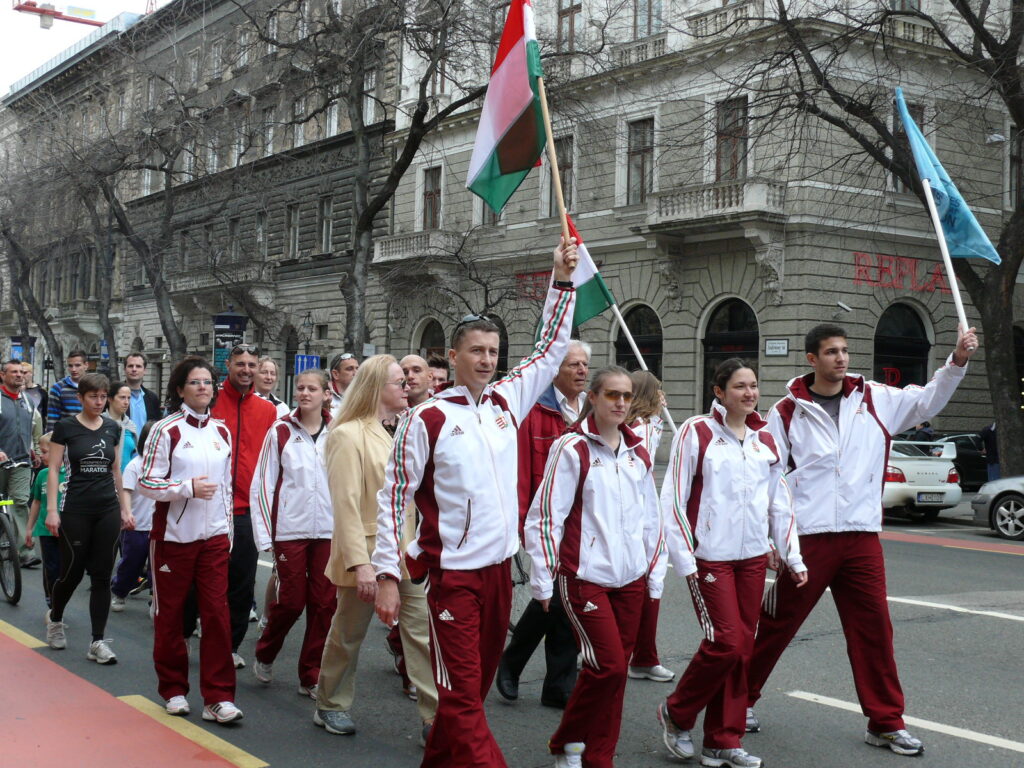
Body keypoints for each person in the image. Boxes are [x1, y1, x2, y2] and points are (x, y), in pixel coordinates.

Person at [372, 237, 577, 768]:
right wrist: (387, 573)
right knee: (461, 699)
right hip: (452, 577)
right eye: (476, 351)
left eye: (492, 352)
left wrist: (561, 281)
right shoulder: (428, 418)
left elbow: (550, 350)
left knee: (472, 694)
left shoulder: (508, 401)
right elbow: (392, 495)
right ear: (453, 355)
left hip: (497, 572)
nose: (486, 360)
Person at [745, 323, 979, 757]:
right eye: (831, 352)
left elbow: (928, 398)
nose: (841, 358)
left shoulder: (874, 399)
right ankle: (738, 702)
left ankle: (886, 722)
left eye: (845, 351)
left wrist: (957, 362)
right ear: (812, 359)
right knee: (777, 623)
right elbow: (767, 476)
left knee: (874, 631)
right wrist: (773, 538)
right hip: (809, 536)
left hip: (860, 536)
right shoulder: (786, 411)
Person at [656, 359, 806, 768]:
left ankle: (723, 739)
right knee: (725, 642)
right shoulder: (697, 432)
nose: (749, 393)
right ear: (719, 391)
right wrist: (684, 557)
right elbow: (673, 496)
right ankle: (678, 711)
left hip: (753, 559)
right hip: (711, 558)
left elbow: (779, 501)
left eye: (753, 385)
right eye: (739, 386)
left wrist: (790, 553)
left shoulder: (765, 439)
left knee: (742, 650)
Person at [523, 365, 664, 768]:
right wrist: (543, 579)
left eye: (625, 396)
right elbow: (546, 516)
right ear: (594, 399)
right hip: (585, 577)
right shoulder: (572, 448)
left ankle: (593, 753)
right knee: (611, 666)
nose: (620, 403)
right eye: (611, 395)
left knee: (611, 673)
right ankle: (569, 741)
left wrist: (652, 568)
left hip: (630, 577)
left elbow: (649, 516)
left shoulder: (638, 450)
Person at [315, 355, 437, 742]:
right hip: (366, 552)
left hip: (408, 551)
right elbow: (346, 506)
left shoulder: (408, 427)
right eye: (399, 382)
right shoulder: (347, 434)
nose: (407, 387)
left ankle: (434, 718)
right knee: (348, 634)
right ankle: (331, 703)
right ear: (376, 388)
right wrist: (360, 565)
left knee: (420, 633)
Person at [138, 356, 241, 723]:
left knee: (216, 614)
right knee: (170, 615)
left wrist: (226, 530)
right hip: (172, 539)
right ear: (180, 389)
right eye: (195, 382)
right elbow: (146, 482)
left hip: (212, 538)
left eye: (208, 382)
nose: (203, 388)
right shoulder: (167, 430)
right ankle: (174, 690)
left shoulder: (222, 432)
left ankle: (218, 698)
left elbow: (226, 488)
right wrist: (187, 488)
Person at [497, 339, 591, 709]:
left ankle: (555, 682)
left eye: (585, 364)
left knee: (571, 595)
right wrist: (523, 525)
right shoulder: (534, 411)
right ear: (555, 370)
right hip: (545, 521)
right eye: (573, 365)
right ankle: (514, 662)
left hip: (583, 522)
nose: (582, 371)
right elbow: (520, 471)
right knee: (552, 595)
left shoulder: (589, 410)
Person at [250, 368, 335, 698]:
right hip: (291, 529)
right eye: (300, 387)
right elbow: (263, 484)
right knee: (291, 601)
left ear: (326, 394)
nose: (304, 393)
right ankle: (266, 651)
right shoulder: (281, 431)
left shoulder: (337, 431)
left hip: (328, 530)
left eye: (312, 388)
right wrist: (266, 535)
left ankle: (310, 674)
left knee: (324, 603)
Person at [44, 372, 134, 664]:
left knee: (101, 576)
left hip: (106, 509)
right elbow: (55, 469)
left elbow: (116, 470)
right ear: (81, 398)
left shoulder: (112, 428)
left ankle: (97, 641)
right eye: (93, 396)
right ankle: (55, 619)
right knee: (71, 572)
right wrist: (52, 510)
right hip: (75, 509)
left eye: (103, 396)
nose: (99, 401)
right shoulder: (66, 428)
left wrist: (125, 508)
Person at [210, 343, 278, 669]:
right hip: (208, 509)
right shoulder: (211, 402)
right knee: (207, 583)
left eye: (252, 364)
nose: (247, 370)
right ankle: (198, 629)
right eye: (241, 363)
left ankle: (231, 645)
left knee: (241, 583)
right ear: (229, 365)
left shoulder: (267, 411)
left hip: (247, 512)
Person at [625, 370, 674, 683]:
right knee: (643, 579)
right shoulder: (636, 428)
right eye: (658, 391)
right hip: (638, 514)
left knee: (650, 578)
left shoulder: (646, 425)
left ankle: (643, 654)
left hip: (646, 511)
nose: (663, 396)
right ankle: (636, 654)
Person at [110, 421, 156, 613]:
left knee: (158, 569)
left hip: (160, 528)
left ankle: (155, 602)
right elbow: (125, 492)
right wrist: (126, 513)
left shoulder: (167, 464)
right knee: (132, 564)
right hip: (136, 526)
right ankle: (119, 591)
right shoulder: (135, 466)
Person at [0, 359, 40, 565]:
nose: (19, 375)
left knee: (20, 502)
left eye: (21, 372)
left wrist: (34, 450)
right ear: (2, 375)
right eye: (13, 372)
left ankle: (25, 552)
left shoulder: (28, 400)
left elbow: (32, 429)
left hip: (21, 462)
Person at [25, 432, 64, 606]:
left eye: (45, 452)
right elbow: (36, 502)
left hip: (67, 530)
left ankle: (59, 599)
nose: (41, 455)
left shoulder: (70, 474)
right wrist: (29, 528)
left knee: (65, 568)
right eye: (41, 451)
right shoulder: (42, 475)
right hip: (45, 529)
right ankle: (52, 602)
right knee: (51, 567)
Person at [47, 349, 87, 431]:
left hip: (90, 436)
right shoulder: (58, 388)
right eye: (70, 366)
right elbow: (52, 418)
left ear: (86, 365)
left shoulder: (93, 386)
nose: (73, 369)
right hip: (66, 437)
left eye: (77, 365)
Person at [124, 353, 163, 433]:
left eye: (138, 366)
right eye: (130, 366)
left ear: (144, 370)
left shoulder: (152, 398)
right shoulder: (115, 395)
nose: (134, 369)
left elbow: (157, 425)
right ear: (125, 369)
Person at [107, 380, 138, 470]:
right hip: (106, 479)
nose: (126, 402)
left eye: (129, 398)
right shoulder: (100, 423)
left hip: (128, 479)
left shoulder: (131, 425)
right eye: (122, 397)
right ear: (110, 399)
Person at [327, 353, 360, 417]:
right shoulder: (324, 397)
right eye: (350, 369)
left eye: (357, 368)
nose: (356, 373)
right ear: (335, 374)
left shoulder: (362, 396)